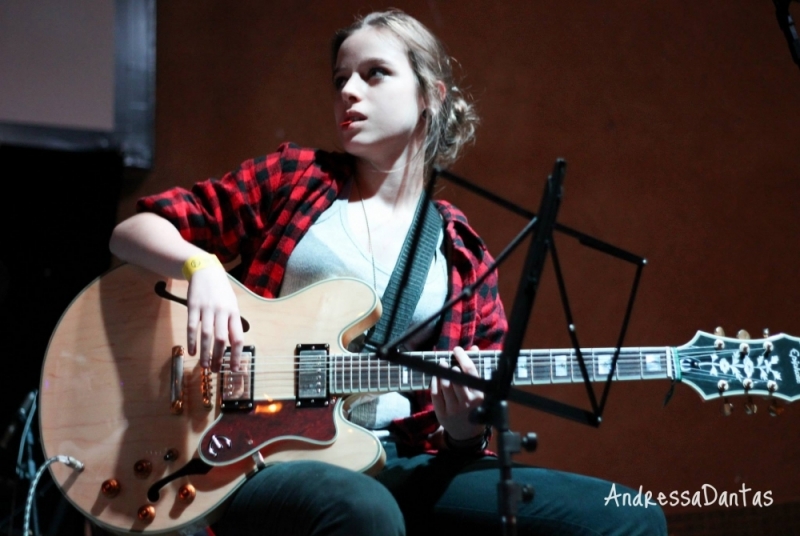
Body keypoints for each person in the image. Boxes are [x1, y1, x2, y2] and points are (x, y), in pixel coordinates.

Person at [110, 9, 667, 536]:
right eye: (340, 80)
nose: (349, 92)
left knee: (628, 517)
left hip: (403, 460)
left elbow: (468, 439)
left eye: (375, 74)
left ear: (430, 96)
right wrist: (199, 264)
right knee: (363, 510)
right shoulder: (298, 179)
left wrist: (464, 430)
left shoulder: (462, 251)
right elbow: (133, 231)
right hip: (259, 456)